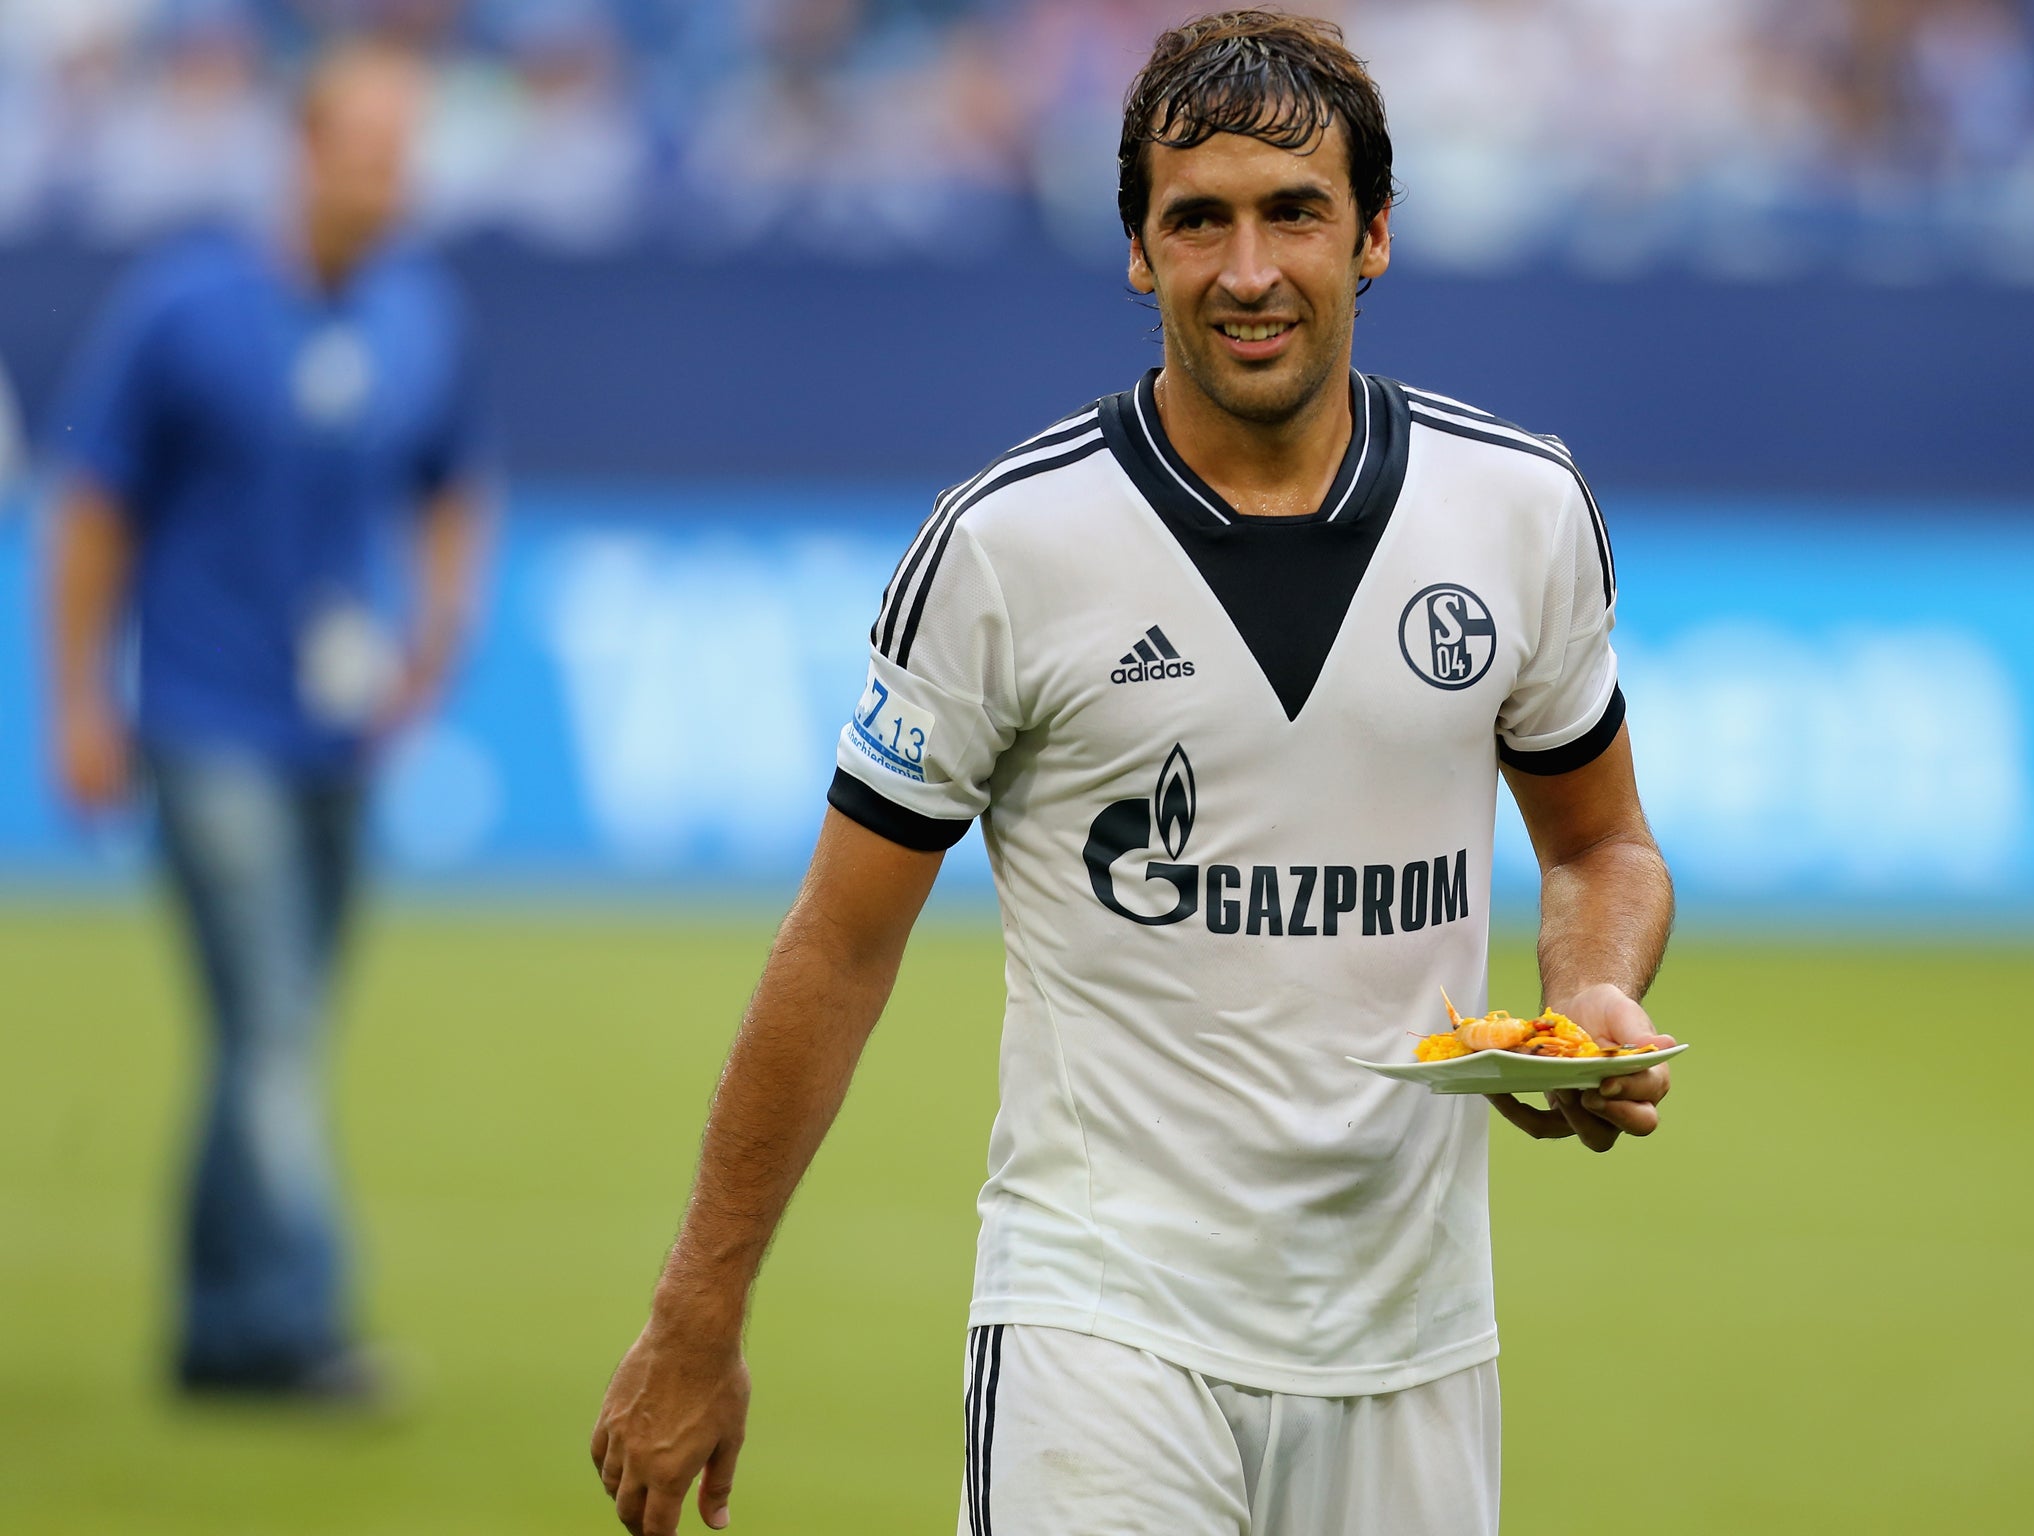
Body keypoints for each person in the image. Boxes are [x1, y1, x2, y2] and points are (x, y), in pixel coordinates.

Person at [590, 11, 1675, 1534]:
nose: (1246, 270)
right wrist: (698, 1312)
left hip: (1416, 1346)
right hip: (1100, 1331)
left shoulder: (1522, 509)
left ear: (1371, 236)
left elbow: (1599, 850)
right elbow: (840, 943)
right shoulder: (1005, 547)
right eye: (1198, 221)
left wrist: (1591, 996)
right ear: (1135, 253)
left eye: (1293, 213)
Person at [46, 37, 488, 1401]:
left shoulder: (421, 313)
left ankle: (214, 1335)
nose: (391, 177)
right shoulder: (186, 307)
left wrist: (437, 640)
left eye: (404, 152)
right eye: (368, 149)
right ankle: (300, 1320)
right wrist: (74, 697)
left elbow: (455, 484)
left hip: (336, 730)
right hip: (200, 716)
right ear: (302, 152)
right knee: (278, 1021)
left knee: (264, 1033)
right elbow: (92, 505)